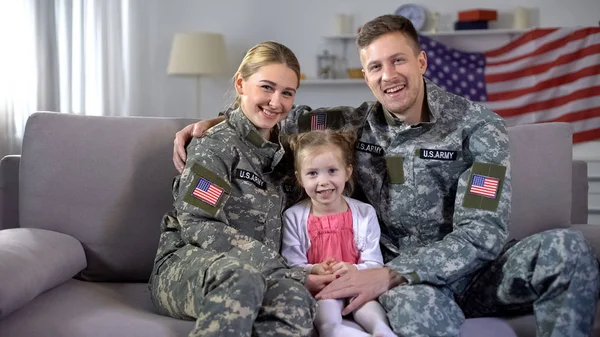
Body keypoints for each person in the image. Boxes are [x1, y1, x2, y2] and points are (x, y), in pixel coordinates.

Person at [172, 15, 600, 337]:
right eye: (374, 67)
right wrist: (215, 123)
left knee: (567, 247)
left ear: (422, 60)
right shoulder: (354, 123)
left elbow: (483, 233)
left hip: (472, 272)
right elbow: (278, 114)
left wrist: (396, 273)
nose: (388, 76)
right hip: (406, 283)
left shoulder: (478, 126)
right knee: (415, 314)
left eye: (397, 61)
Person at [149, 41, 336, 337]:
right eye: (266, 87)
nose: (276, 102)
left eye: (287, 92)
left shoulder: (291, 139)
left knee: (296, 299)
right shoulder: (215, 145)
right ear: (240, 83)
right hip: (188, 266)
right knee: (242, 277)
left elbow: (339, 121)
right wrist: (290, 271)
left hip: (261, 272)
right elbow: (200, 225)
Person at [282, 129, 395, 337]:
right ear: (300, 178)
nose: (323, 181)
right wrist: (316, 269)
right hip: (322, 289)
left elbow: (374, 262)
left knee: (373, 315)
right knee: (328, 324)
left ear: (348, 171)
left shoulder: (364, 213)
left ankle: (382, 332)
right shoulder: (293, 216)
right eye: (313, 173)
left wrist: (352, 268)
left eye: (332, 171)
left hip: (358, 283)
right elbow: (292, 264)